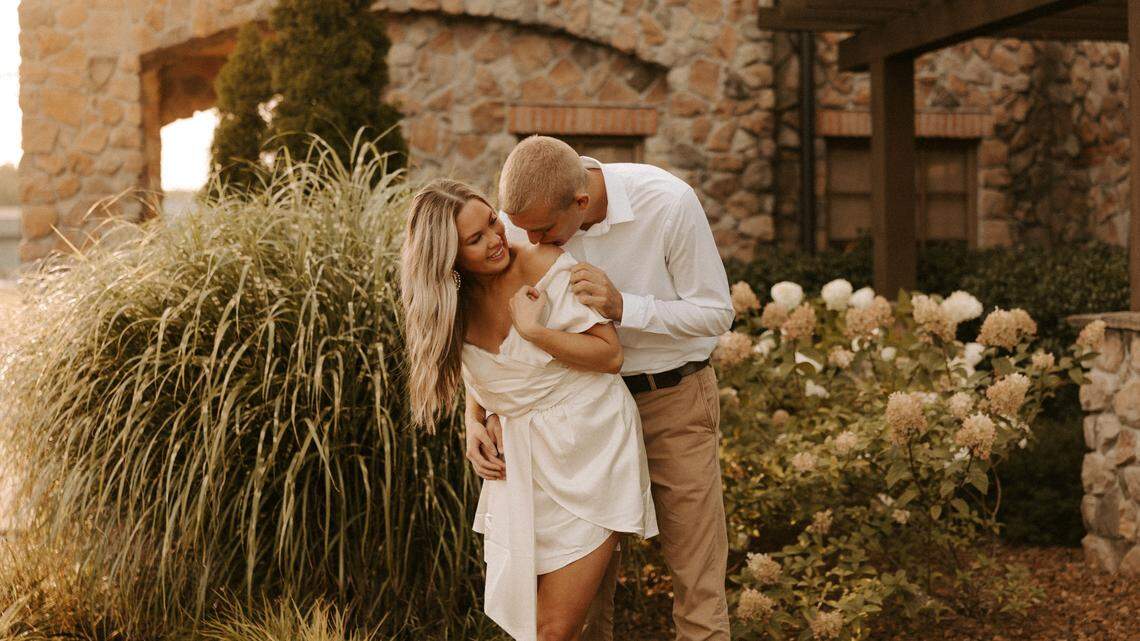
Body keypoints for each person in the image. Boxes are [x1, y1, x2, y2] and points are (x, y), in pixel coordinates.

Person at [466, 136, 735, 641]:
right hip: (574, 419)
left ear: (581, 203)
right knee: (584, 603)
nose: (530, 240)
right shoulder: (524, 212)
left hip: (669, 401)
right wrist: (476, 414)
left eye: (543, 230)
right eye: (519, 227)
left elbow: (717, 313)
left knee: (696, 581)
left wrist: (624, 307)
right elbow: (494, 328)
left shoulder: (668, 202)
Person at [400, 178, 658, 641]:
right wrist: (472, 421)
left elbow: (609, 356)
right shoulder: (448, 305)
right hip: (521, 464)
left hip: (590, 448)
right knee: (532, 625)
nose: (497, 239)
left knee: (551, 630)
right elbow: (493, 375)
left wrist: (535, 332)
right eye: (475, 239)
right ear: (447, 257)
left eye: (493, 222)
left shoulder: (545, 264)